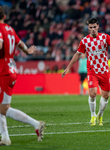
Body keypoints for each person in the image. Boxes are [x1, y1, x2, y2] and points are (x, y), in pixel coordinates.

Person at [62, 18, 110, 126]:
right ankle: (93, 115)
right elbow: (77, 54)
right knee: (92, 94)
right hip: (92, 71)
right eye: (91, 27)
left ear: (98, 26)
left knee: (106, 96)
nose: (93, 29)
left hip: (104, 70)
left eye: (94, 27)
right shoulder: (84, 41)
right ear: (88, 28)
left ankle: (100, 115)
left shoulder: (105, 37)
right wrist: (68, 67)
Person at [0, 6, 45, 146]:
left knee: (3, 108)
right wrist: (28, 51)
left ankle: (35, 124)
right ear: (5, 16)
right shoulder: (10, 29)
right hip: (11, 69)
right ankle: (5, 138)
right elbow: (21, 45)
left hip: (3, 71)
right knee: (2, 107)